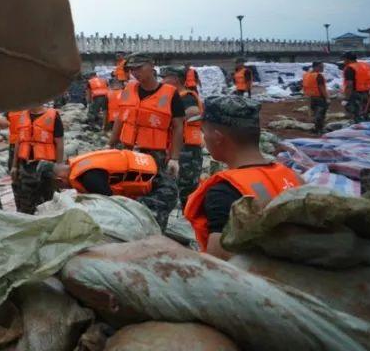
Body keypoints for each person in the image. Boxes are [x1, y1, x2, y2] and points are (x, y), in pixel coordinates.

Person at [183, 96, 303, 259]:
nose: (203, 138)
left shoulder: (224, 192)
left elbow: (218, 264)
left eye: (204, 132)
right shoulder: (293, 177)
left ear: (218, 137)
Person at [107, 53, 183, 226]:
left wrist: (175, 158)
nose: (135, 73)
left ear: (152, 65)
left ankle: (154, 228)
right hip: (127, 151)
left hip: (154, 155)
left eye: (139, 68)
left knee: (155, 193)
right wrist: (110, 144)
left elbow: (178, 126)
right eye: (132, 70)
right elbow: (120, 118)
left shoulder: (171, 94)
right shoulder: (128, 90)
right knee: (125, 190)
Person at [52, 148, 177, 228]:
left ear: (59, 181)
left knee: (146, 225)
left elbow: (112, 205)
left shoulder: (89, 178)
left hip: (162, 190)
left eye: (60, 187)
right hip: (156, 176)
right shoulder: (79, 164)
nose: (63, 190)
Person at [161, 66, 205, 210]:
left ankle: (191, 215)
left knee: (187, 186)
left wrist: (174, 121)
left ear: (175, 79)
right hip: (179, 145)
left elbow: (193, 112)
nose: (162, 82)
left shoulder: (186, 96)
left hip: (188, 148)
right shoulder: (173, 96)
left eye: (165, 78)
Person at [8, 103, 64, 214]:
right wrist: (14, 166)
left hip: (46, 166)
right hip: (25, 165)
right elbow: (19, 142)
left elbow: (60, 144)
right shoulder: (23, 116)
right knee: (25, 201)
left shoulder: (53, 116)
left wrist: (58, 168)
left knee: (47, 201)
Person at [342, 52, 370, 123]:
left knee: (356, 113)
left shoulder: (350, 68)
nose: (343, 61)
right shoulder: (366, 66)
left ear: (347, 59)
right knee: (365, 112)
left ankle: (359, 128)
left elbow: (349, 84)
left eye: (344, 59)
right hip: (366, 92)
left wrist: (346, 99)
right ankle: (367, 129)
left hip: (355, 94)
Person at [302, 61, 329, 134]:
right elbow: (322, 88)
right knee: (320, 114)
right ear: (315, 67)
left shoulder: (306, 75)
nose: (322, 68)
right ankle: (319, 130)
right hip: (319, 97)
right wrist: (327, 98)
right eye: (321, 67)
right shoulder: (318, 76)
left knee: (315, 113)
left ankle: (316, 128)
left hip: (311, 97)